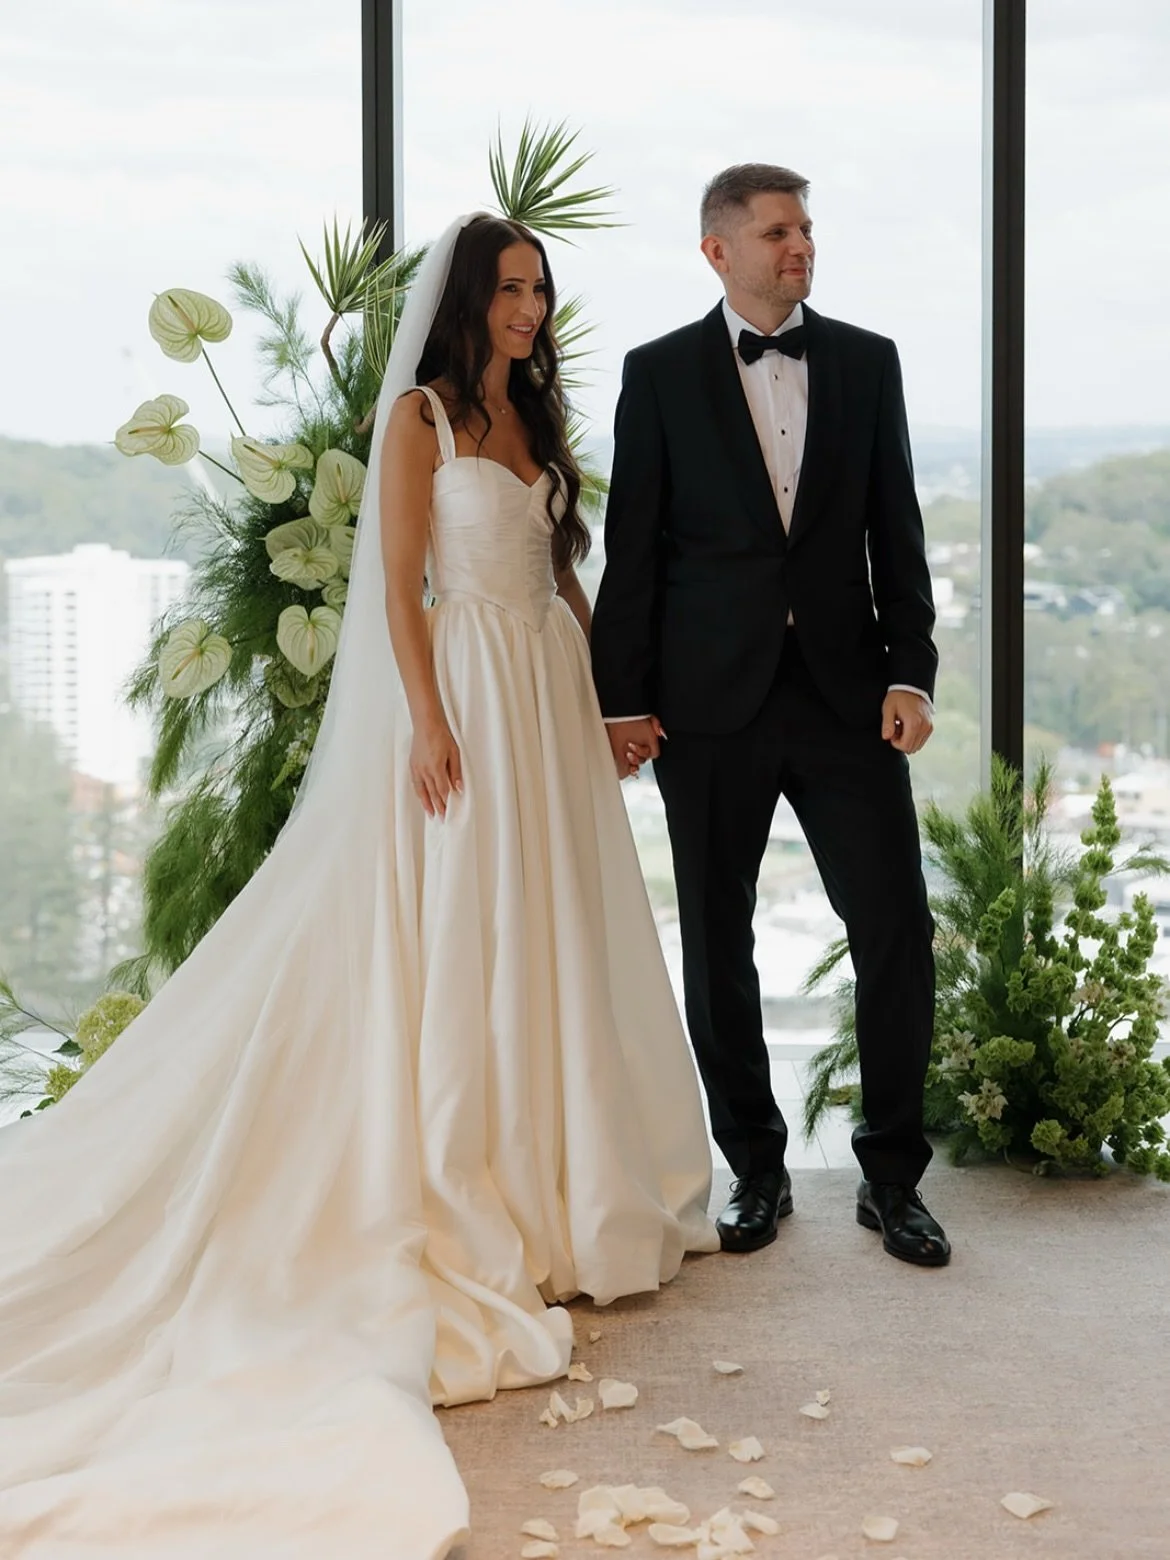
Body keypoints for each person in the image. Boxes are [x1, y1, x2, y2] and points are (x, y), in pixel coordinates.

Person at [0, 212, 718, 1558]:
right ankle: (479, 1185)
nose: (528, 308)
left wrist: (609, 709)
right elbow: (398, 588)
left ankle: (575, 1199)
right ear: (465, 299)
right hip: (468, 699)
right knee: (475, 938)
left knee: (563, 936)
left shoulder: (538, 428)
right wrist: (431, 722)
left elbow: (567, 581)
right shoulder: (423, 424)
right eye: (508, 288)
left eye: (539, 290)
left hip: (549, 697)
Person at [591, 163, 951, 1269]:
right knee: (718, 942)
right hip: (708, 706)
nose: (801, 246)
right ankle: (755, 1164)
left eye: (805, 229)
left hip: (849, 698)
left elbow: (897, 525)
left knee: (895, 930)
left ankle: (893, 1176)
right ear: (719, 250)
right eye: (779, 231)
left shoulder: (865, 361)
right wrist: (624, 701)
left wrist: (911, 671)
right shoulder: (655, 375)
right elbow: (634, 546)